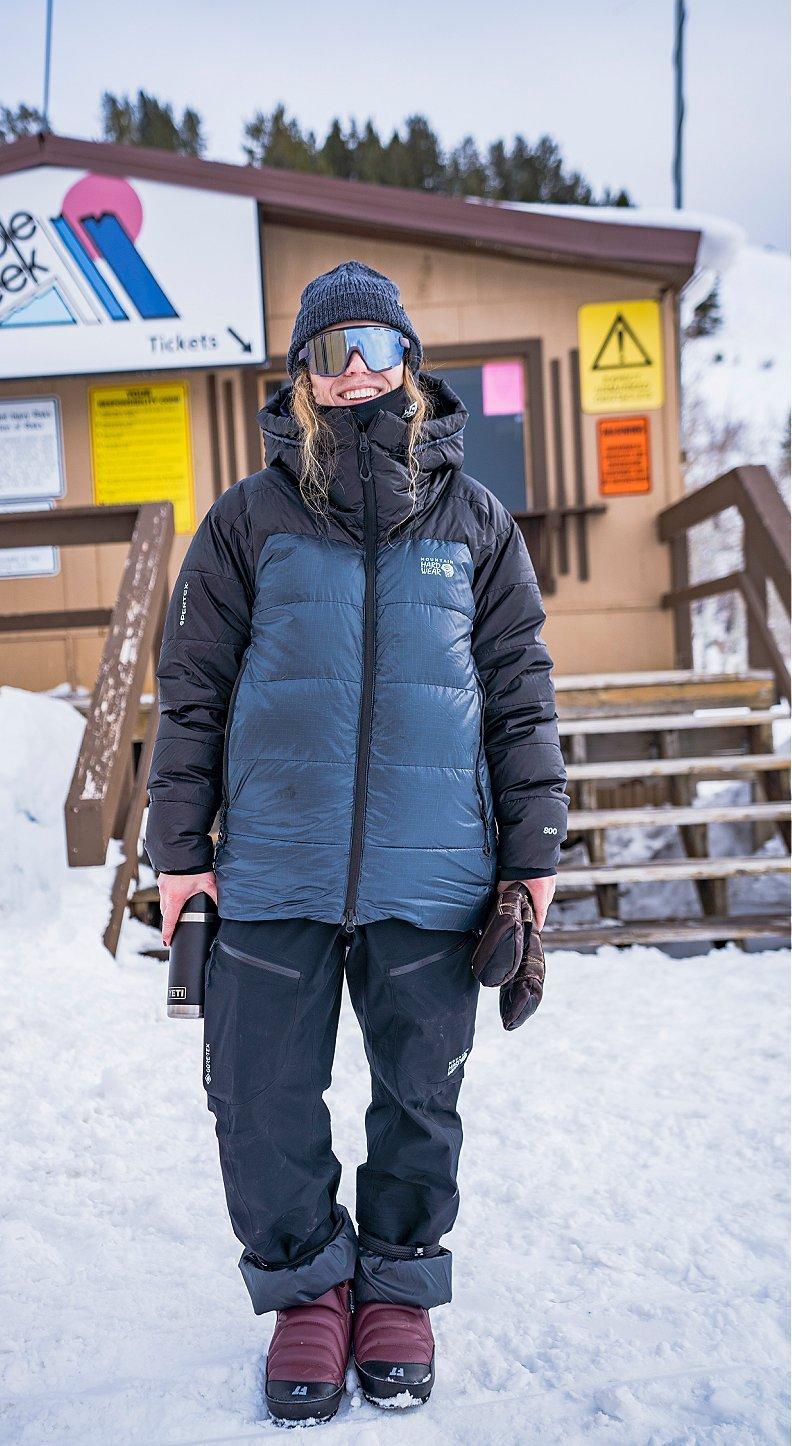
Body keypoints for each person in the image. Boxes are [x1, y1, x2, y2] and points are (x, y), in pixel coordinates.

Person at [144, 261, 569, 1425]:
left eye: (377, 347)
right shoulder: (246, 522)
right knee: (260, 1093)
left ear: (412, 367)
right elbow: (190, 696)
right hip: (273, 865)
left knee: (418, 1095)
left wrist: (530, 852)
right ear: (299, 377)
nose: (356, 375)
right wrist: (179, 856)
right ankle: (303, 1291)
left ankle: (394, 1286)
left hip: (433, 877)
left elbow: (519, 693)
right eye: (331, 354)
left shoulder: (476, 526)